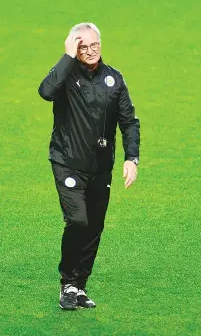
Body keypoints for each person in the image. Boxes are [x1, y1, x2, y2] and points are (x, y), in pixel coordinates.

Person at [38, 22, 140, 310]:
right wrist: (67, 58)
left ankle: (79, 287)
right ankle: (67, 283)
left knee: (94, 226)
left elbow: (128, 121)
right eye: (83, 46)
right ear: (73, 47)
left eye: (95, 45)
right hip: (67, 162)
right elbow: (46, 91)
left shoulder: (114, 79)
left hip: (101, 167)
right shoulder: (65, 76)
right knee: (78, 221)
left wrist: (131, 158)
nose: (91, 51)